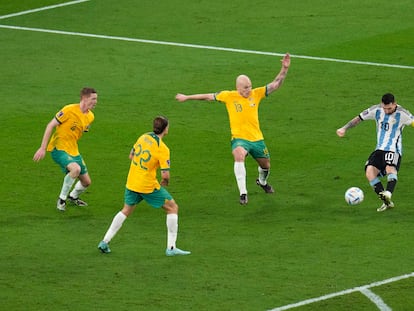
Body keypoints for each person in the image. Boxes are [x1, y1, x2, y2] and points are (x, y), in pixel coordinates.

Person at [175, 53, 291, 205]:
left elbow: (275, 84)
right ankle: (243, 193)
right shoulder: (228, 96)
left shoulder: (256, 94)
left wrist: (284, 68)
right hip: (239, 138)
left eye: (250, 86)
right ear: (238, 88)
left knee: (266, 166)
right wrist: (187, 97)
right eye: (245, 88)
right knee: (239, 155)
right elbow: (207, 96)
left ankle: (262, 182)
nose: (248, 90)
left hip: (257, 139)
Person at [98, 116, 191, 256]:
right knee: (172, 208)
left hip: (132, 181)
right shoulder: (163, 148)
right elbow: (165, 175)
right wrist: (165, 182)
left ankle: (105, 241)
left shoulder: (144, 136)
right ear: (165, 129)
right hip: (147, 185)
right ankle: (171, 248)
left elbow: (131, 155)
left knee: (126, 210)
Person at [336, 93, 414, 212]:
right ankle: (387, 202)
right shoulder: (376, 110)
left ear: (394, 103)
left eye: (389, 108)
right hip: (379, 149)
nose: (387, 111)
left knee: (390, 168)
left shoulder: (403, 114)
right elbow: (359, 118)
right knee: (369, 172)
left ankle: (388, 193)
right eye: (384, 108)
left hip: (393, 149)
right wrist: (344, 128)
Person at [33, 87, 98, 211]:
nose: (95, 102)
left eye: (96, 99)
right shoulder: (68, 110)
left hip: (73, 150)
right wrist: (42, 148)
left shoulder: (90, 116)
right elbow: (50, 125)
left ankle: (73, 197)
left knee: (87, 182)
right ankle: (61, 200)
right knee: (76, 169)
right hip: (58, 148)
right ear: (84, 98)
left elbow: (81, 130)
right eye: (93, 99)